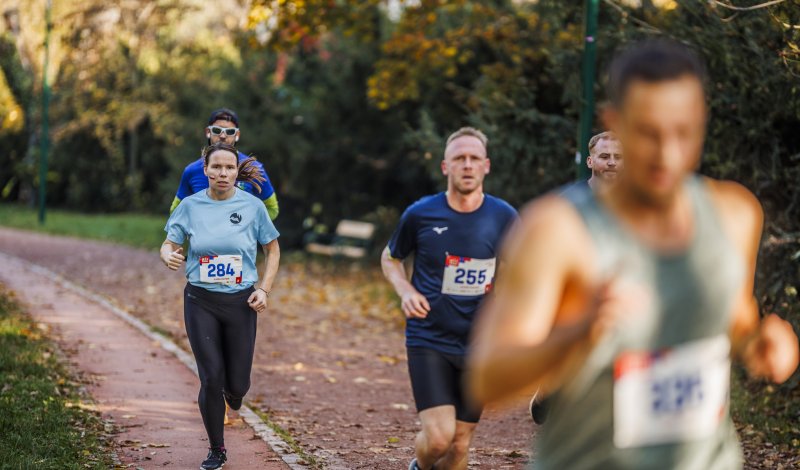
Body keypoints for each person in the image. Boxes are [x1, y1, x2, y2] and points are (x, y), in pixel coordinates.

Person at [467, 39, 798, 469]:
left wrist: (763, 345)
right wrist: (577, 333)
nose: (667, 154)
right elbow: (486, 379)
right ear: (614, 123)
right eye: (647, 133)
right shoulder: (555, 230)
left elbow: (735, 320)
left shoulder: (733, 214)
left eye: (684, 132)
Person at [381, 127, 517, 470]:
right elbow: (390, 257)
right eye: (460, 158)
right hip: (429, 338)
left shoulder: (504, 216)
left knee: (459, 446)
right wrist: (406, 290)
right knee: (440, 438)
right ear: (446, 167)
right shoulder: (421, 213)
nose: (467, 165)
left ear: (486, 166)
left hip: (479, 344)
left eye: (474, 159)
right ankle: (421, 466)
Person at [161, 142, 281, 470]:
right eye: (216, 167)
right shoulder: (189, 205)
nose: (223, 173)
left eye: (229, 167)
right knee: (211, 377)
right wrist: (168, 253)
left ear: (236, 171)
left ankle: (235, 392)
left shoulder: (253, 207)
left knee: (238, 385)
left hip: (241, 302)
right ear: (206, 170)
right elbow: (169, 242)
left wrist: (265, 289)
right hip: (201, 300)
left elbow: (273, 249)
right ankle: (217, 449)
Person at [530, 131, 624, 424]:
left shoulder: (636, 202)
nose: (611, 163)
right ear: (591, 160)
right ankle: (548, 389)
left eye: (618, 157)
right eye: (605, 156)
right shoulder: (569, 200)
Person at [170, 108, 280, 220]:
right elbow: (176, 211)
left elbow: (272, 208)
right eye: (217, 130)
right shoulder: (192, 170)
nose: (223, 136)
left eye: (230, 131)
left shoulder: (254, 168)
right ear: (208, 132)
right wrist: (193, 229)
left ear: (237, 135)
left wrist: (248, 226)